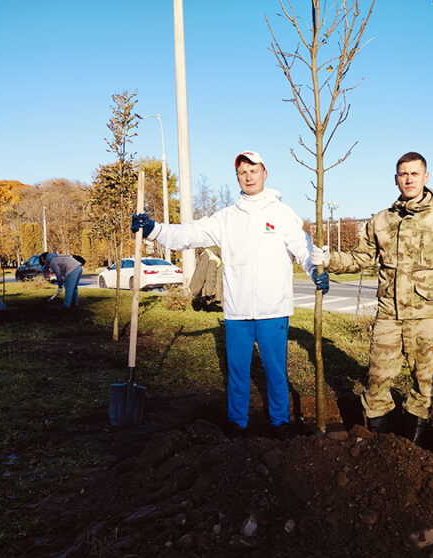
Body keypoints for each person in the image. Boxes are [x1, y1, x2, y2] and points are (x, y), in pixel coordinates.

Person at [131, 150, 329, 439]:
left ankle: (280, 422)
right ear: (238, 178)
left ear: (265, 173)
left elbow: (303, 248)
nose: (248, 177)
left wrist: (316, 272)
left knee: (275, 370)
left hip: (273, 309)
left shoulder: (282, 214)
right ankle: (237, 423)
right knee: (237, 372)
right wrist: (154, 229)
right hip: (237, 311)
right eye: (242, 173)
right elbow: (188, 234)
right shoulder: (226, 218)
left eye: (253, 170)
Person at [312, 151, 433, 443]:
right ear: (396, 179)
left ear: (426, 177)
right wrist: (329, 258)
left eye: (415, 174)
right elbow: (360, 258)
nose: (409, 179)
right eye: (404, 174)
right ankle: (383, 447)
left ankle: (411, 450)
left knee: (424, 386)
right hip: (389, 316)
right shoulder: (380, 221)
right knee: (376, 384)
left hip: (428, 318)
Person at [189, 248, 223, 312]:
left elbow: (211, 276)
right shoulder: (211, 254)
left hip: (205, 289)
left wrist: (208, 293)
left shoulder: (210, 255)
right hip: (208, 289)